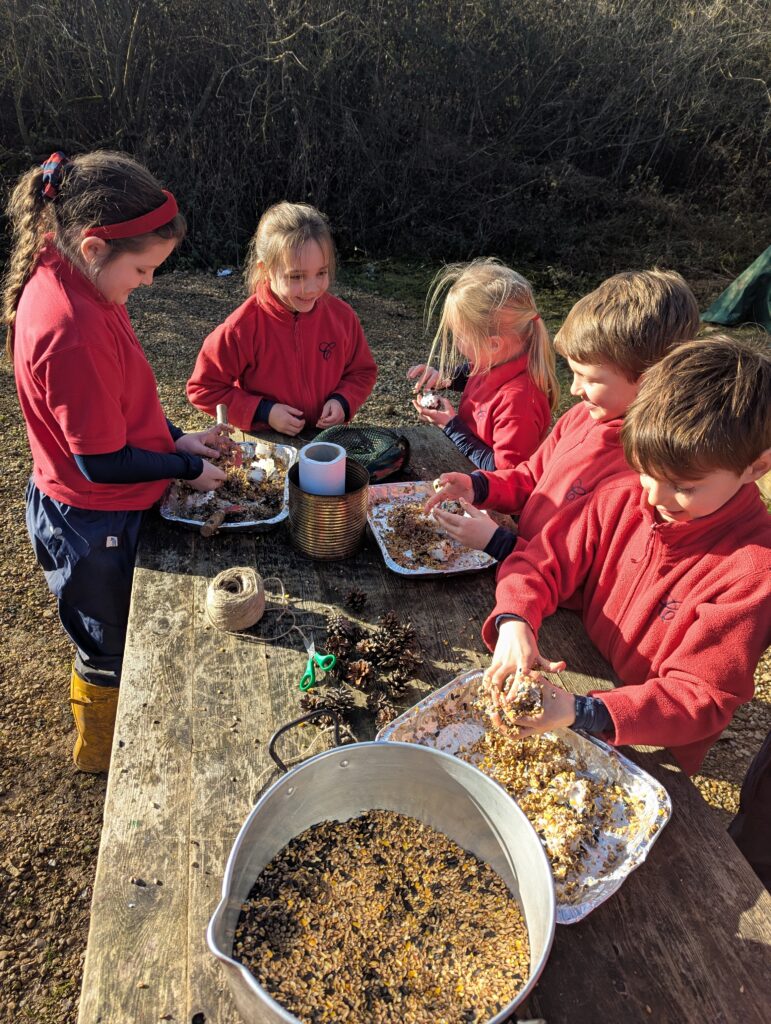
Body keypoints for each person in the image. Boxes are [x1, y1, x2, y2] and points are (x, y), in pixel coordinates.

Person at [4, 150, 228, 773]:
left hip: (103, 502)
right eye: (143, 268)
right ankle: (102, 754)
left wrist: (175, 439)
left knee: (123, 630)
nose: (149, 282)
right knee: (105, 645)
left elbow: (119, 406)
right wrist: (186, 472)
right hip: (92, 521)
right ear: (96, 245)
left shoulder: (73, 270)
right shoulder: (72, 329)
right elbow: (100, 462)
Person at [480, 336, 771, 776]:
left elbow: (700, 696)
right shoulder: (624, 496)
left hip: (656, 743)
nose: (654, 496)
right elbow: (541, 560)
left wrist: (586, 711)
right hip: (588, 675)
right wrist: (515, 620)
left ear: (756, 467)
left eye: (684, 486)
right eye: (645, 472)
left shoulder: (753, 570)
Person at [425, 270, 700, 560]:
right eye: (574, 373)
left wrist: (501, 545)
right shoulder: (580, 417)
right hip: (523, 560)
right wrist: (478, 487)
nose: (573, 389)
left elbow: (577, 566)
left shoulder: (647, 472)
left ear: (651, 378)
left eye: (590, 379)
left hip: (538, 579)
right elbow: (530, 476)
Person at [186, 202, 377, 436]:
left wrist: (343, 401)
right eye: (296, 276)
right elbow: (203, 388)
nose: (311, 288)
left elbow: (362, 372)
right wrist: (264, 411)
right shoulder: (241, 327)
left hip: (327, 440)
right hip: (267, 445)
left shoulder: (342, 317)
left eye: (321, 273)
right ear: (265, 270)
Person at [406, 259, 559, 470]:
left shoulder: (519, 402)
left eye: (460, 337)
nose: (456, 344)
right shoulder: (495, 361)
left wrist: (451, 426)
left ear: (493, 344)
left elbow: (505, 473)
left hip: (491, 496)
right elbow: (472, 373)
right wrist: (444, 376)